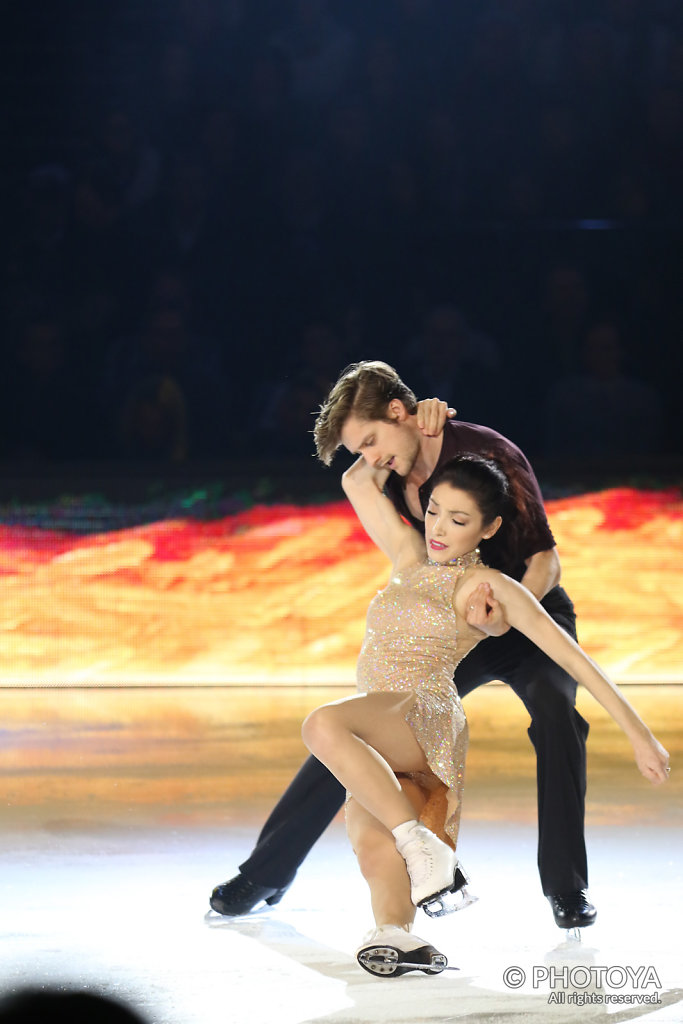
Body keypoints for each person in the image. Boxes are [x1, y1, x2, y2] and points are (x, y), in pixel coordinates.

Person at [208, 360, 653, 930]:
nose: (369, 457)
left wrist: (503, 620)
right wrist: (392, 446)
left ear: (399, 413)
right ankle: (267, 871)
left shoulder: (486, 453)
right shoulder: (383, 468)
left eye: (370, 440)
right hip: (450, 624)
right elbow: (363, 488)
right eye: (358, 449)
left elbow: (546, 558)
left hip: (526, 612)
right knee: (358, 727)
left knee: (555, 710)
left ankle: (566, 888)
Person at [300, 452, 669, 975]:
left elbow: (575, 661)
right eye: (434, 511)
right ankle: (397, 936)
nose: (439, 528)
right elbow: (356, 479)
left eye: (459, 519)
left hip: (419, 715)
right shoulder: (407, 555)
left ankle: (421, 846)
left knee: (322, 724)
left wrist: (641, 737)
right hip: (381, 733)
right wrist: (415, 420)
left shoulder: (490, 588)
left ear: (489, 527)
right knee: (369, 841)